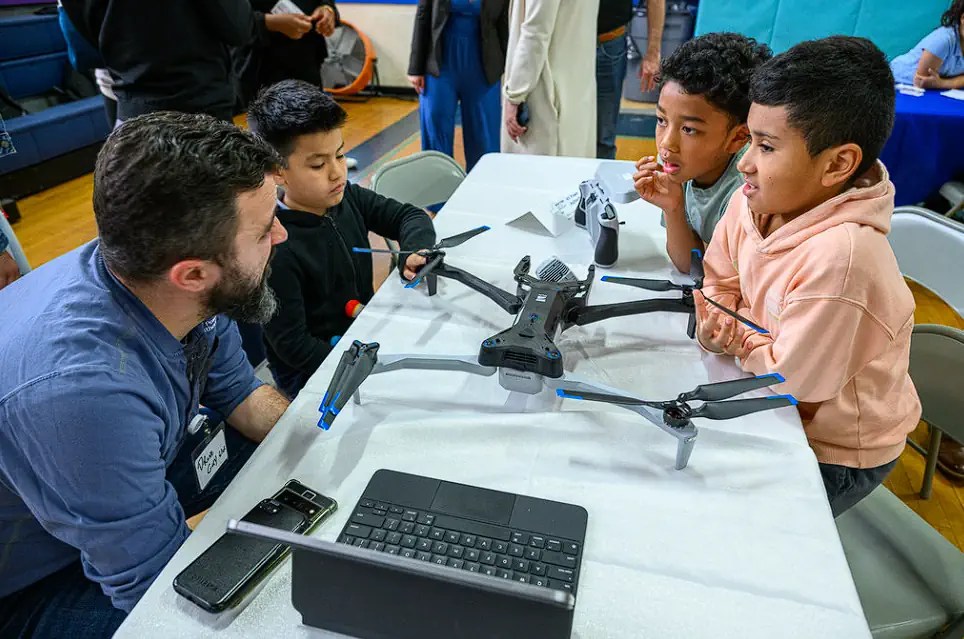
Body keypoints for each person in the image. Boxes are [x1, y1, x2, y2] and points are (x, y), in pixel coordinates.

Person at [0, 112, 291, 636]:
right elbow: (157, 588)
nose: (283, 234)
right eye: (266, 228)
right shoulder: (85, 392)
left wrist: (321, 440)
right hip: (29, 585)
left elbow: (243, 395)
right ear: (193, 274)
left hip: (100, 501)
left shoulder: (164, 277)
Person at [696, 36, 921, 517]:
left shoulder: (843, 259)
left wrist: (733, 337)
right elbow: (718, 281)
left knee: (735, 524)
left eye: (767, 146)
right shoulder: (753, 199)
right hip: (773, 394)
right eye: (749, 139)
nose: (744, 163)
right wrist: (721, 323)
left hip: (832, 447)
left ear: (839, 163)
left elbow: (790, 380)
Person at [247, 80, 437, 399]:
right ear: (277, 172)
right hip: (314, 373)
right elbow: (294, 347)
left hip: (363, 333)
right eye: (318, 165)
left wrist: (414, 251)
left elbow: (410, 217)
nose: (337, 173)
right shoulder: (275, 248)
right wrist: (364, 364)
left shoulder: (346, 197)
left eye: (340, 155)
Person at [633, 33, 771, 273]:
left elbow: (718, 275)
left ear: (738, 138)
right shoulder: (679, 165)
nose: (666, 144)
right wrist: (673, 207)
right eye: (661, 120)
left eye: (689, 129)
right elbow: (690, 264)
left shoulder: (749, 195)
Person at [59, 0, 317, 122]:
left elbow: (83, 54)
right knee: (217, 213)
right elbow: (236, 26)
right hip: (197, 103)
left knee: (153, 215)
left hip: (130, 107)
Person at [407, 0, 509, 172]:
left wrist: (511, 71)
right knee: (436, 134)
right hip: (440, 67)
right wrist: (415, 68)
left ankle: (482, 191)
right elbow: (422, 16)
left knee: (484, 136)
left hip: (483, 68)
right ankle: (436, 194)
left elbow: (504, 23)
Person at [501, 0, 598, 157]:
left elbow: (535, 33)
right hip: (575, 88)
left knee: (540, 174)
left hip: (545, 93)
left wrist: (514, 94)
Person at [596, 0, 664, 160]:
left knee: (603, 137)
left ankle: (599, 183)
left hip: (607, 41)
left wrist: (653, 53)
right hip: (563, 42)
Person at [239, 0, 339, 105]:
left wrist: (327, 9)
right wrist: (269, 23)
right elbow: (232, 19)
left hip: (307, 62)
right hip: (257, 67)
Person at [890, 0, 964, 89]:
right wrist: (947, 83)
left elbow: (936, 84)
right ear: (963, 18)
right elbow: (921, 81)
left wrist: (942, 83)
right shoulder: (943, 40)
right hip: (896, 82)